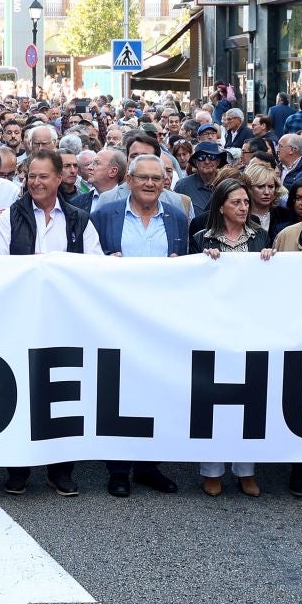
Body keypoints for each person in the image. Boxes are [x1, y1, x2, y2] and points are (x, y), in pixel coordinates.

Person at [0, 151, 98, 498]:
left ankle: (61, 470)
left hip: (64, 321)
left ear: (59, 179)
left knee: (63, 393)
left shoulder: (79, 220)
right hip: (21, 319)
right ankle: (18, 469)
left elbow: (93, 268)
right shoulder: (9, 217)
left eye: (44, 176)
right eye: (31, 176)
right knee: (21, 392)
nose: (37, 182)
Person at [89, 156, 184, 498]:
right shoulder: (103, 215)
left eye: (155, 179)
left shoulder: (177, 219)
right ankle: (118, 469)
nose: (148, 184)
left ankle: (148, 466)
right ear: (128, 180)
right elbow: (87, 261)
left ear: (164, 183)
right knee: (117, 391)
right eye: (141, 177)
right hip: (115, 319)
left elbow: (185, 268)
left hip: (160, 321)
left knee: (154, 390)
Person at [190, 173, 264, 498]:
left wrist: (271, 260)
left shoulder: (261, 237)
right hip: (213, 328)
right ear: (221, 206)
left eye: (246, 202)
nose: (243, 207)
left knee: (250, 401)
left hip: (250, 327)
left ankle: (246, 470)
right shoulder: (200, 239)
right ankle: (211, 470)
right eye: (236, 202)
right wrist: (201, 263)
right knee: (212, 400)